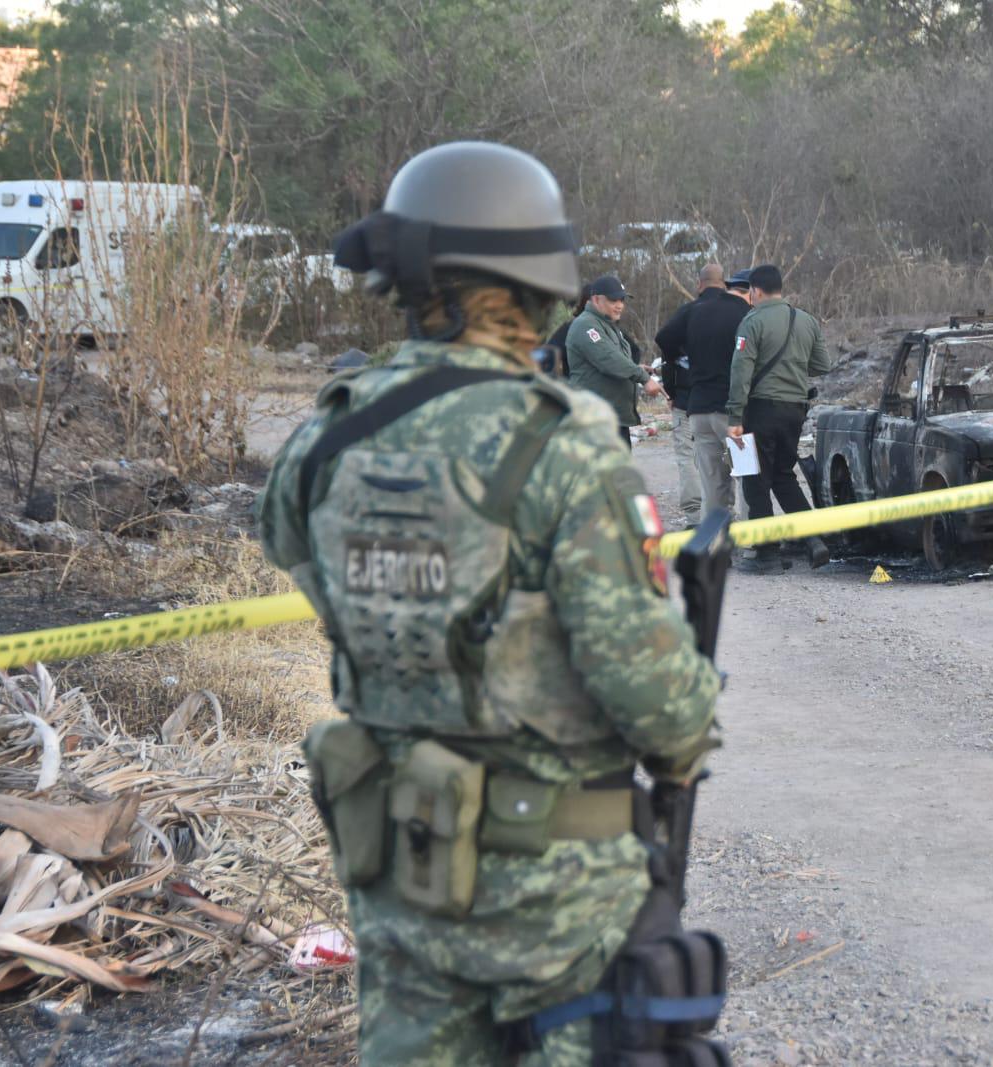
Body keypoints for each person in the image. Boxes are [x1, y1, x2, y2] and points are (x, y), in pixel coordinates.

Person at [255, 142, 721, 1066]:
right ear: (536, 280)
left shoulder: (329, 431)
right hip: (553, 902)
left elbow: (308, 567)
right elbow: (659, 705)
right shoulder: (565, 445)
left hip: (400, 875)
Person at [726, 263, 831, 570]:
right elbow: (822, 365)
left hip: (758, 409)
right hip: (795, 410)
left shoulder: (752, 321)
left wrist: (734, 416)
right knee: (784, 476)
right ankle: (814, 539)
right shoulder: (805, 320)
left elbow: (740, 371)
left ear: (755, 291)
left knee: (753, 478)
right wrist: (794, 369)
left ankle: (766, 552)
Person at [655, 264, 732, 526]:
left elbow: (663, 339)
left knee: (692, 460)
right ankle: (744, 526)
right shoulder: (736, 310)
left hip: (691, 401)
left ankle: (696, 518)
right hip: (729, 402)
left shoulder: (689, 313)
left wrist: (681, 363)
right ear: (724, 284)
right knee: (738, 464)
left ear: (700, 285)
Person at [680, 267, 752, 519]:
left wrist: (680, 376)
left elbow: (664, 337)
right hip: (730, 412)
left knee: (712, 484)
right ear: (751, 293)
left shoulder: (695, 311)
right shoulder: (745, 315)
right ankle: (753, 542)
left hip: (698, 407)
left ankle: (715, 543)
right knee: (747, 477)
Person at [566, 274, 661, 446]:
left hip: (612, 418)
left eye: (622, 300)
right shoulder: (586, 325)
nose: (620, 306)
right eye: (613, 300)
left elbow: (614, 358)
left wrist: (635, 367)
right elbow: (608, 358)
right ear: (595, 299)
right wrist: (642, 377)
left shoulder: (606, 324)